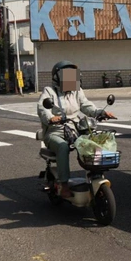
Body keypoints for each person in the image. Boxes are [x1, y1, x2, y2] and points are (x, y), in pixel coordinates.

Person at [38, 61, 115, 197]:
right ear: (57, 76)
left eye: (73, 75)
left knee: (94, 142)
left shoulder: (77, 91)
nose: (71, 78)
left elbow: (86, 105)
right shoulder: (49, 91)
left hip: (75, 129)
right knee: (62, 146)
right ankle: (64, 184)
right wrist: (51, 118)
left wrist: (100, 112)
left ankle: (96, 175)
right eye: (67, 74)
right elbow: (42, 108)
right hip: (55, 131)